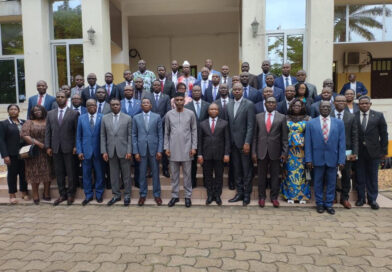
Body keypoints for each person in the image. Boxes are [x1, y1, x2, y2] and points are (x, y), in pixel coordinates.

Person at [305, 101, 346, 215]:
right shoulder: (311, 123)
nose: (325, 109)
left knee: (331, 183)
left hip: (333, 158)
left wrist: (341, 160)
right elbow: (308, 143)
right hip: (317, 158)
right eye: (323, 107)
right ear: (319, 108)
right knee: (317, 182)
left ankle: (329, 204)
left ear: (331, 108)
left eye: (328, 107)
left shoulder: (339, 123)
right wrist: (308, 159)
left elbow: (342, 143)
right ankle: (319, 204)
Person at [252, 97, 288, 208]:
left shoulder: (282, 117)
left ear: (276, 105)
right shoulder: (258, 117)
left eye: (273, 102)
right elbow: (254, 137)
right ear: (265, 104)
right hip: (261, 150)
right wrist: (254, 152)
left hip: (276, 151)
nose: (271, 104)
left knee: (275, 176)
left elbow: (284, 138)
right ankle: (261, 197)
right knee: (261, 176)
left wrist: (284, 152)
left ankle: (274, 198)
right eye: (268, 102)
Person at [45, 91, 79, 206]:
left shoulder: (74, 113)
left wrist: (75, 146)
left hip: (69, 147)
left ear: (66, 99)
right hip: (55, 148)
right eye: (58, 97)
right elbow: (48, 131)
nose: (60, 99)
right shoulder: (50, 114)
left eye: (62, 97)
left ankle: (71, 194)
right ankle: (62, 194)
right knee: (59, 172)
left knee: (71, 172)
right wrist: (48, 146)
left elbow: (76, 132)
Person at [164, 92, 197, 208]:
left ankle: (188, 196)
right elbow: (166, 132)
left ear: (184, 101)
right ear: (174, 102)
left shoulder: (190, 114)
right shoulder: (168, 114)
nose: (179, 102)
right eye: (176, 100)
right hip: (172, 149)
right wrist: (166, 147)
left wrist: (194, 147)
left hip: (187, 149)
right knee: (174, 175)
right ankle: (175, 196)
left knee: (188, 175)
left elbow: (194, 131)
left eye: (180, 100)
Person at [355, 96, 388, 210]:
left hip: (374, 152)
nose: (364, 105)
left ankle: (372, 199)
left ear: (370, 104)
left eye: (366, 103)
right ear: (358, 105)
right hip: (359, 152)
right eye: (362, 103)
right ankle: (360, 199)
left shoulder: (378, 116)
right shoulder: (354, 116)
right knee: (360, 176)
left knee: (372, 176)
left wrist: (384, 151)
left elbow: (384, 135)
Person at [227, 83, 255, 206]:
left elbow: (250, 126)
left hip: (244, 144)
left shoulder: (249, 104)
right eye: (235, 89)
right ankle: (239, 193)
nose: (237, 91)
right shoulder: (229, 104)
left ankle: (247, 194)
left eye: (239, 89)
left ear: (243, 91)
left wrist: (247, 142)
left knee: (246, 170)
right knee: (237, 170)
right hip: (233, 144)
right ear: (232, 91)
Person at [101, 98, 133, 206]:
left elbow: (129, 136)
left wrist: (129, 150)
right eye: (113, 104)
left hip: (124, 151)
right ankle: (116, 195)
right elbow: (103, 136)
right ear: (110, 106)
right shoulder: (105, 118)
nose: (115, 106)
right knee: (113, 174)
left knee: (126, 174)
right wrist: (104, 151)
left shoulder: (127, 118)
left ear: (120, 105)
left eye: (117, 104)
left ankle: (127, 195)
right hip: (110, 151)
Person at [132, 98, 163, 206]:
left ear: (151, 105)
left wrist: (160, 150)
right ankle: (142, 195)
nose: (145, 104)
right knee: (142, 174)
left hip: (154, 150)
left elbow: (160, 135)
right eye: (143, 103)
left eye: (147, 103)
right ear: (141, 106)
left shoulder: (157, 117)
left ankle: (157, 195)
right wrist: (135, 152)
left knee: (155, 173)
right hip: (141, 150)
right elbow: (134, 135)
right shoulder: (136, 118)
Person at [198, 103, 230, 205]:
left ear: (218, 111)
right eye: (211, 109)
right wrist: (199, 154)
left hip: (219, 155)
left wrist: (226, 154)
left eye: (215, 109)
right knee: (207, 176)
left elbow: (227, 140)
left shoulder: (224, 123)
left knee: (219, 176)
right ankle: (210, 195)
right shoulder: (202, 124)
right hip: (206, 155)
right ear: (208, 111)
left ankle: (217, 195)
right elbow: (199, 141)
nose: (213, 111)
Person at [280, 99, 311, 203]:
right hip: (289, 151)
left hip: (302, 151)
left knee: (302, 173)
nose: (296, 107)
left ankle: (302, 196)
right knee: (289, 173)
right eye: (294, 105)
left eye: (299, 105)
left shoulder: (307, 118)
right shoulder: (285, 118)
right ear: (291, 107)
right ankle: (290, 196)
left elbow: (310, 135)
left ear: (302, 107)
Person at [21, 105, 53, 204]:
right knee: (34, 173)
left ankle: (46, 193)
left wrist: (47, 147)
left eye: (39, 110)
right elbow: (24, 135)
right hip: (33, 152)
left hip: (47, 151)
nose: (37, 111)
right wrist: (39, 144)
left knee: (47, 172)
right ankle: (35, 194)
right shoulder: (29, 122)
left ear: (43, 111)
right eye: (35, 110)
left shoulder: (48, 121)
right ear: (32, 113)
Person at [331, 95, 358, 209]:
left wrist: (355, 153)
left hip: (347, 151)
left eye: (343, 101)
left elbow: (355, 136)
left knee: (346, 175)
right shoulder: (328, 114)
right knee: (331, 174)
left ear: (346, 103)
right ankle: (332, 197)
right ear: (334, 103)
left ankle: (344, 198)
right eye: (338, 101)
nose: (341, 102)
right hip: (331, 150)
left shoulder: (351, 117)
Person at [76, 99, 105, 205]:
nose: (91, 106)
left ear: (96, 106)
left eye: (93, 105)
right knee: (86, 175)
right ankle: (88, 195)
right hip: (85, 152)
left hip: (99, 151)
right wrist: (79, 151)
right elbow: (78, 137)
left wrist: (104, 151)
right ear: (86, 107)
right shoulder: (81, 118)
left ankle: (99, 195)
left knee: (99, 174)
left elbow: (105, 136)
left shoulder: (102, 117)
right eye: (89, 105)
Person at [0, 105, 28, 204]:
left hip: (24, 153)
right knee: (12, 174)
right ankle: (12, 194)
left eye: (15, 109)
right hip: (11, 154)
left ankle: (24, 192)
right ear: (8, 111)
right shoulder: (4, 124)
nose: (13, 111)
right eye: (11, 109)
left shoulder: (24, 122)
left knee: (23, 173)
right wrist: (5, 155)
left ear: (19, 111)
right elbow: (1, 140)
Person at [185, 85, 210, 188]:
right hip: (191, 139)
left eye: (198, 90)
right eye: (194, 91)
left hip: (205, 139)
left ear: (201, 92)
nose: (196, 92)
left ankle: (206, 182)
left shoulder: (208, 105)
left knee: (206, 164)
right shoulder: (187, 107)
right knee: (192, 163)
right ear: (191, 92)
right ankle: (192, 183)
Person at [214, 83, 235, 190]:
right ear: (218, 90)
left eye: (225, 88)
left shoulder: (233, 102)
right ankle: (218, 184)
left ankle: (231, 182)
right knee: (219, 162)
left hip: (232, 134)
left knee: (232, 161)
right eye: (221, 88)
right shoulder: (214, 103)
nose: (223, 90)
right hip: (218, 136)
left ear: (228, 90)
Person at [150, 80, 172, 178]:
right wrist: (154, 122)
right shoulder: (148, 97)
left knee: (163, 148)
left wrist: (159, 121)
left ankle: (165, 169)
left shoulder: (166, 97)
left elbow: (168, 111)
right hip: (151, 126)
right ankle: (152, 170)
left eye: (158, 85)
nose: (156, 86)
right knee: (152, 148)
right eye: (154, 85)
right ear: (152, 86)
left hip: (163, 126)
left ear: (161, 87)